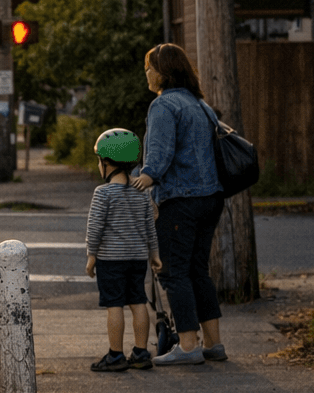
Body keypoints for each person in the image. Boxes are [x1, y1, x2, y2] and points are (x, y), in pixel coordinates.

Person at [131, 43, 226, 366]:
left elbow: (159, 152)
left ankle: (188, 345)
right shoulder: (199, 104)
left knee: (173, 272)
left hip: (181, 200)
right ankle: (213, 342)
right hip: (211, 198)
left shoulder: (164, 105)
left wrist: (146, 177)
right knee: (199, 269)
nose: (146, 73)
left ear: (163, 72)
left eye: (149, 67)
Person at [85, 129, 162, 372]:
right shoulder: (142, 193)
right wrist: (154, 254)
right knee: (138, 301)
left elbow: (95, 227)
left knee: (114, 305)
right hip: (138, 259)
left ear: (106, 163)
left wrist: (91, 256)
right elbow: (150, 225)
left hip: (111, 260)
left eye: (100, 161)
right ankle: (141, 353)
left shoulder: (103, 193)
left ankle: (116, 355)